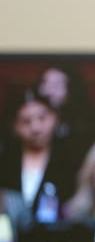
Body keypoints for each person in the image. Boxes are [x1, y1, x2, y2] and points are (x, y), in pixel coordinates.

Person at [0, 90, 80, 226]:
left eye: (42, 118)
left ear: (55, 118)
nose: (35, 128)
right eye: (26, 121)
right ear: (15, 126)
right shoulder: (5, 158)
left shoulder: (71, 157)